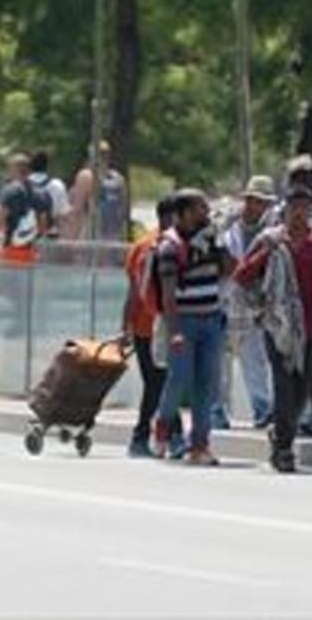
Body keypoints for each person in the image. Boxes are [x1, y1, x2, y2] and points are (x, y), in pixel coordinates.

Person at [235, 184, 312, 472]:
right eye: (294, 206)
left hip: (310, 327)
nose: (299, 212)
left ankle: (281, 431)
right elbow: (242, 275)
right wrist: (264, 253)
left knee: (302, 388)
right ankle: (284, 448)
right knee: (283, 385)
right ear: (286, 209)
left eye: (305, 207)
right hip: (277, 326)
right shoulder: (269, 239)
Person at [152, 189, 232, 466]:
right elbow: (168, 293)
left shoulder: (211, 240)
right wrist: (174, 330)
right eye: (200, 207)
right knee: (180, 378)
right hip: (184, 321)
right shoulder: (169, 247)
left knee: (206, 384)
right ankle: (163, 424)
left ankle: (200, 444)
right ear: (184, 213)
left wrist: (218, 244)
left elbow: (230, 269)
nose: (206, 211)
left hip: (211, 319)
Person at [123, 195, 184, 457]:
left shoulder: (141, 245)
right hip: (155, 327)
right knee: (159, 383)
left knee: (162, 383)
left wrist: (126, 324)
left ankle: (171, 435)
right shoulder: (160, 246)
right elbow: (136, 291)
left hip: (147, 327)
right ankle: (145, 436)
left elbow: (132, 293)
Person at [222, 175, 277, 428]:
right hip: (232, 299)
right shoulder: (228, 226)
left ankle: (267, 408)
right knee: (234, 356)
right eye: (256, 201)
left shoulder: (272, 231)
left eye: (264, 202)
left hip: (261, 301)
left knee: (261, 356)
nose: (260, 207)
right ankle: (226, 410)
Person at [0, 154, 51, 265]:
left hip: (12, 247)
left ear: (14, 170)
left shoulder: (9, 191)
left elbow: (0, 219)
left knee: (10, 280)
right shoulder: (41, 193)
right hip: (32, 249)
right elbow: (43, 222)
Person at [28, 151, 69, 239]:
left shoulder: (22, 185)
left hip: (26, 235)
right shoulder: (57, 185)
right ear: (47, 166)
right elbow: (63, 213)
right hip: (51, 234)